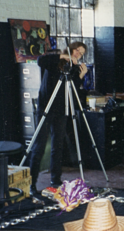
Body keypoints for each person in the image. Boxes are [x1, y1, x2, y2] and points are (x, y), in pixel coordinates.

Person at [29, 42, 88, 194]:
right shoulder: (56, 61)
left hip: (62, 110)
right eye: (77, 50)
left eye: (81, 53)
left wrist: (80, 75)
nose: (78, 54)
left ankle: (56, 180)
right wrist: (64, 56)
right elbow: (40, 61)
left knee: (58, 145)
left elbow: (73, 88)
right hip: (46, 108)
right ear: (71, 48)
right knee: (39, 146)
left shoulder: (73, 68)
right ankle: (32, 183)